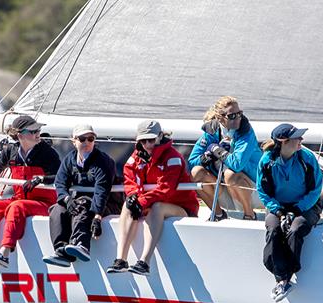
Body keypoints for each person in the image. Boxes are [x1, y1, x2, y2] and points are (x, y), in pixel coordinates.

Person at [0, 115, 60, 272]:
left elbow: (60, 175)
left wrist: (40, 179)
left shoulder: (48, 152)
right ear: (20, 135)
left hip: (45, 203)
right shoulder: (11, 150)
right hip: (20, 198)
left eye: (39, 130)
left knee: (16, 207)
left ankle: (4, 252)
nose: (38, 133)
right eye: (34, 131)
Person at [106, 120, 199, 276]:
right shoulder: (136, 157)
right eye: (143, 140)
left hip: (182, 208)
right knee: (128, 205)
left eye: (151, 139)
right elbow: (129, 178)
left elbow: (166, 189)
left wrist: (140, 202)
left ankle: (144, 262)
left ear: (160, 136)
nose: (148, 144)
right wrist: (133, 197)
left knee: (157, 208)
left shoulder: (173, 157)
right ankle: (121, 259)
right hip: (150, 203)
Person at [257, 123, 323, 302]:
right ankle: (281, 279)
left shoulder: (307, 158)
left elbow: (316, 190)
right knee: (273, 230)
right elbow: (262, 191)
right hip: (278, 206)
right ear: (283, 142)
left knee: (295, 229)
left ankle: (287, 275)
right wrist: (278, 211)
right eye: (297, 137)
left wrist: (296, 210)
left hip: (306, 206)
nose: (301, 140)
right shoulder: (266, 161)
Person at [42, 124, 117, 267]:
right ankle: (61, 251)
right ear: (74, 141)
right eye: (82, 139)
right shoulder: (69, 160)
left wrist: (97, 217)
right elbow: (60, 182)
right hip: (79, 200)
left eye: (91, 139)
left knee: (82, 204)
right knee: (57, 209)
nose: (87, 142)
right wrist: (66, 199)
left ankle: (81, 245)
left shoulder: (103, 161)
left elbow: (102, 190)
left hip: (105, 204)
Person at [187, 96, 262, 220]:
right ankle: (218, 215)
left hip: (254, 191)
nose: (238, 118)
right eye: (232, 115)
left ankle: (250, 215)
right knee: (196, 173)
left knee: (230, 174)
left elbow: (237, 164)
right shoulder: (212, 132)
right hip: (225, 191)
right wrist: (206, 157)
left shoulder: (246, 132)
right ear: (220, 118)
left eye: (240, 113)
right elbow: (191, 162)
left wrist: (218, 151)